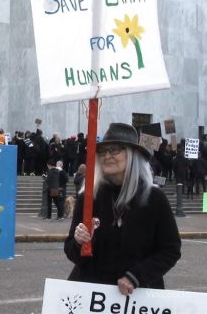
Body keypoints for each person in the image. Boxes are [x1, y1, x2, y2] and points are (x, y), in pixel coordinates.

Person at [64, 123, 181, 295]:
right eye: (103, 151)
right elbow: (72, 252)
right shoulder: (88, 197)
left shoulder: (154, 198)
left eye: (115, 150)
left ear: (132, 155)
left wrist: (136, 276)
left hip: (137, 296)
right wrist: (79, 242)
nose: (107, 156)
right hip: (92, 296)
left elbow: (170, 250)